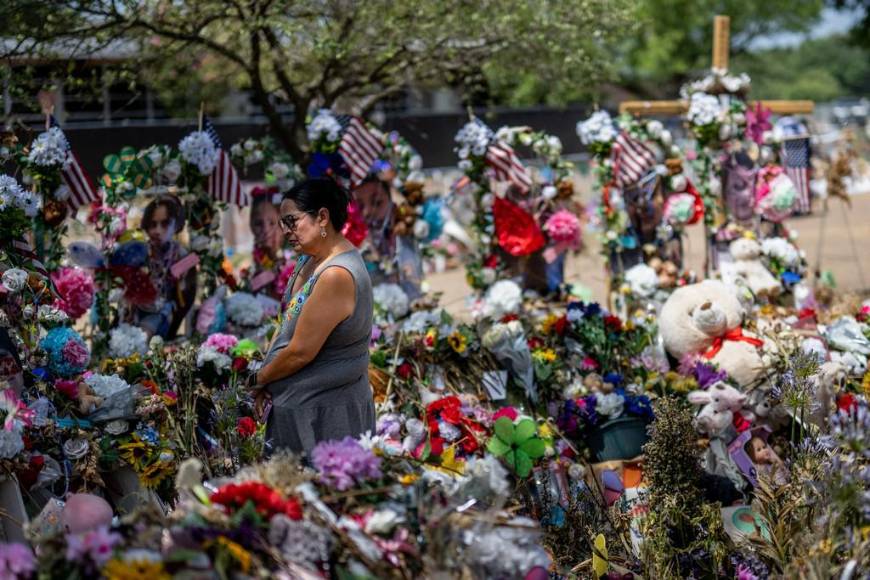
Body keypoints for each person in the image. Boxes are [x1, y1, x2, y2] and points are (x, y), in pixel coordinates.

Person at [250, 178, 375, 455]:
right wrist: (266, 379)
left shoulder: (336, 274)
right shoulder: (309, 259)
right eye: (283, 223)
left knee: (326, 493)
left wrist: (256, 380)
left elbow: (299, 352)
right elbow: (286, 327)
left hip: (326, 419)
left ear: (322, 217)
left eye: (292, 221)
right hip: (300, 410)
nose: (286, 231)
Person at [135, 195, 197, 339]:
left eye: (165, 224)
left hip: (164, 315)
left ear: (176, 225)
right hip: (137, 312)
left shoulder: (183, 256)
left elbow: (186, 300)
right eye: (152, 224)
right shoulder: (140, 251)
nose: (157, 231)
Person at [244, 187, 294, 301]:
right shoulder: (259, 261)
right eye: (258, 224)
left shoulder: (295, 260)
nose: (266, 230)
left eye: (272, 223)